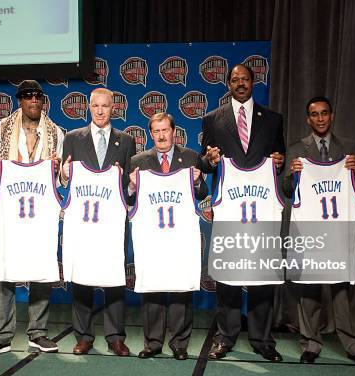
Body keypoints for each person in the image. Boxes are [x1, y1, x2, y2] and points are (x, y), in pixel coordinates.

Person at [200, 64, 286, 362]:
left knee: (262, 274)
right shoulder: (212, 119)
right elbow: (205, 162)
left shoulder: (273, 119)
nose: (240, 83)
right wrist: (209, 160)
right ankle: (226, 336)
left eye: (245, 79)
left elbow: (280, 161)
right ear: (228, 84)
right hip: (230, 208)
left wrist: (279, 161)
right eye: (234, 79)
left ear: (253, 82)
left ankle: (263, 338)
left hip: (260, 208)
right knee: (228, 276)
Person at [0, 80, 64, 358]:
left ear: (43, 101)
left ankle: (38, 332)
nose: (33, 101)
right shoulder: (2, 129)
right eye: (28, 97)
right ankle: (1, 335)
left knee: (42, 268)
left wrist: (60, 169)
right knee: (5, 269)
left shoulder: (55, 132)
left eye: (38, 97)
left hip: (41, 211)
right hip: (12, 210)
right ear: (20, 101)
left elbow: (61, 177)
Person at [284, 97, 355, 365]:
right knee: (309, 288)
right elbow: (287, 191)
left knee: (340, 290)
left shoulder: (348, 146)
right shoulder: (297, 148)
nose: (320, 119)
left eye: (324, 113)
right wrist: (292, 175)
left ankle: (352, 344)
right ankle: (311, 343)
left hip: (337, 230)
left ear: (331, 116)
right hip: (308, 229)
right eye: (314, 115)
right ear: (308, 119)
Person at [60, 87, 136, 356]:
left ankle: (115, 336)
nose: (100, 111)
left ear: (113, 108)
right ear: (89, 108)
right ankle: (83, 336)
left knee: (114, 277)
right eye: (95, 106)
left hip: (113, 222)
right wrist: (65, 175)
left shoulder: (126, 141)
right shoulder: (72, 139)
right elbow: (64, 181)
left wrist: (130, 185)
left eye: (105, 106)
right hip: (83, 222)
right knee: (82, 278)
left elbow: (129, 185)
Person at [128, 113, 207, 360]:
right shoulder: (139, 161)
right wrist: (131, 186)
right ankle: (152, 342)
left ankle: (179, 343)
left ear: (174, 131)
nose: (161, 135)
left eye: (165, 130)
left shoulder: (191, 158)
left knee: (181, 288)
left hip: (181, 237)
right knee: (152, 287)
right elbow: (129, 199)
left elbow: (204, 192)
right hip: (152, 238)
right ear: (151, 134)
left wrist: (197, 181)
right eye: (156, 131)